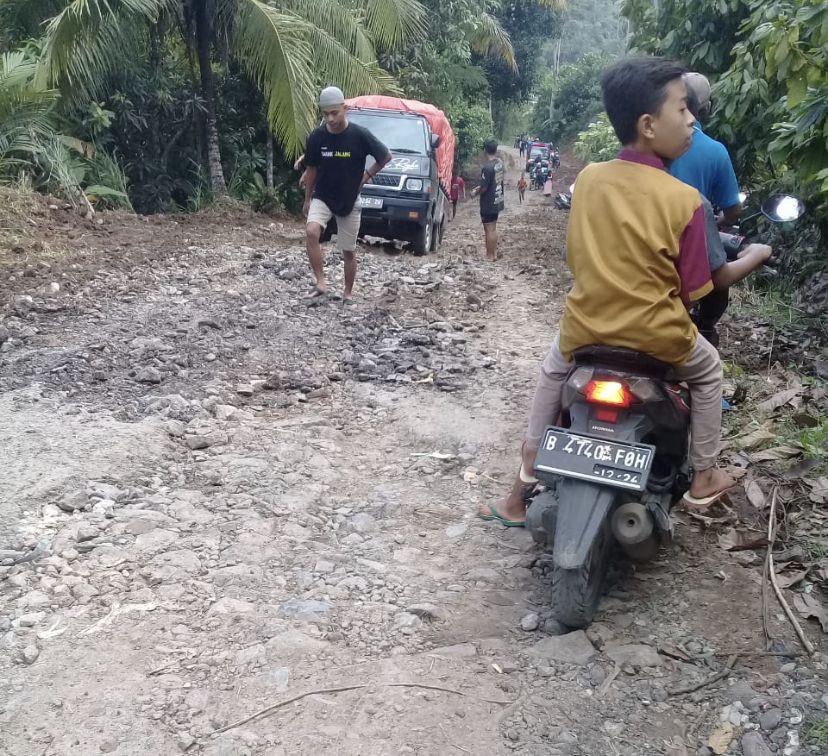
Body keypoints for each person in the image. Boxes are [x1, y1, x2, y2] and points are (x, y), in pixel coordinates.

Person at [480, 56, 736, 527]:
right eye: (682, 109)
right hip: (659, 340)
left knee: (552, 372)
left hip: (587, 331)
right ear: (649, 125)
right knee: (708, 371)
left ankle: (524, 480)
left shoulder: (589, 181)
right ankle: (703, 474)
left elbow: (576, 259)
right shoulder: (685, 201)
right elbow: (694, 290)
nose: (691, 119)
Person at [669, 73, 766, 345]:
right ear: (705, 110)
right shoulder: (712, 156)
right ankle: (706, 329)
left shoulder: (596, 179)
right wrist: (757, 252)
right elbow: (733, 212)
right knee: (709, 370)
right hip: (690, 251)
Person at [302, 86, 392, 301]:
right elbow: (311, 169)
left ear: (345, 108)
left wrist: (366, 176)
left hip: (349, 200)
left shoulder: (360, 135)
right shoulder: (317, 137)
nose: (330, 119)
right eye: (325, 114)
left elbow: (385, 156)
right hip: (322, 195)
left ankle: (348, 292)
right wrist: (307, 199)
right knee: (312, 231)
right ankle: (321, 281)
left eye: (335, 113)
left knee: (348, 250)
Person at [471, 140, 505, 261]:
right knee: (493, 227)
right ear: (496, 150)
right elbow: (493, 181)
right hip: (497, 200)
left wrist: (475, 192)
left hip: (488, 202)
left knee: (489, 228)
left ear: (485, 150)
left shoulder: (487, 168)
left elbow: (484, 188)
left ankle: (490, 255)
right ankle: (493, 253)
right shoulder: (500, 163)